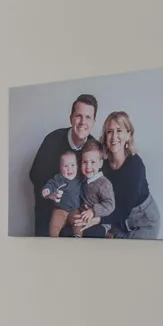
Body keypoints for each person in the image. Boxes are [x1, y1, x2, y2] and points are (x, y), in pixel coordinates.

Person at [75, 109, 159, 238]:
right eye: (110, 131)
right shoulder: (103, 163)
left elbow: (123, 208)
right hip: (116, 222)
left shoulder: (135, 166)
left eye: (119, 131)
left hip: (143, 221)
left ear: (128, 135)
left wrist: (96, 218)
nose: (114, 136)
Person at [28, 93, 98, 235]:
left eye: (88, 117)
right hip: (50, 210)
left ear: (94, 122)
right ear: (71, 118)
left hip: (79, 211)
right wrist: (51, 195)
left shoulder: (94, 148)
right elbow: (36, 176)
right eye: (78, 116)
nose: (83, 122)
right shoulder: (52, 140)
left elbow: (97, 185)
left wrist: (92, 213)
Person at [39, 149, 85, 237]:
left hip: (75, 209)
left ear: (77, 166)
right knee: (54, 224)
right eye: (66, 166)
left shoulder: (79, 179)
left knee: (78, 221)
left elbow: (86, 190)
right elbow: (51, 184)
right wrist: (47, 190)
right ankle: (53, 238)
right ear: (60, 168)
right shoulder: (59, 178)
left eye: (72, 165)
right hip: (60, 209)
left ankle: (77, 236)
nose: (69, 169)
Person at [76, 142, 115, 236]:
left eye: (93, 162)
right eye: (85, 162)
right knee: (69, 231)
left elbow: (110, 205)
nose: (88, 166)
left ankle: (107, 235)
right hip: (84, 217)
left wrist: (93, 211)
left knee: (90, 234)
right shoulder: (83, 179)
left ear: (100, 163)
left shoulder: (103, 184)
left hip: (100, 223)